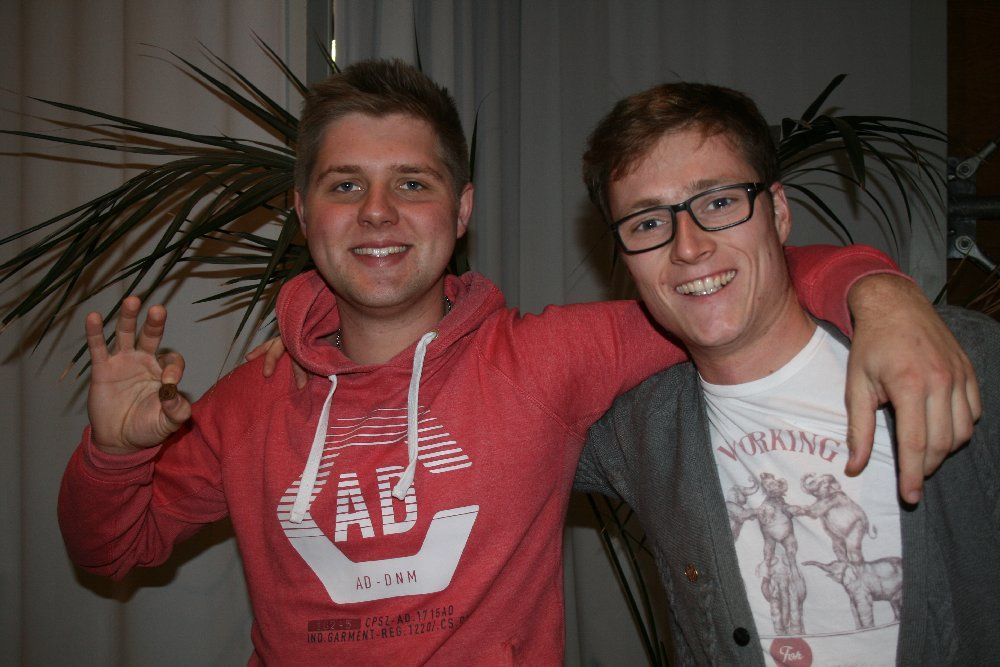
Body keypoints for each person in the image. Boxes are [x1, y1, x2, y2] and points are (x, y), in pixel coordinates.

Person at [58, 60, 978, 665]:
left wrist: (878, 292)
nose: (377, 212)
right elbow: (110, 548)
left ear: (460, 211)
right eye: (345, 186)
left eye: (411, 183)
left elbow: (717, 284)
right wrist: (113, 452)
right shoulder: (251, 398)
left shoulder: (547, 358)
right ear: (304, 215)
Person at [574, 81, 997, 666]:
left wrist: (877, 291)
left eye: (719, 203)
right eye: (647, 224)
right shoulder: (635, 432)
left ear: (776, 212)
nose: (688, 248)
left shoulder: (958, 356)